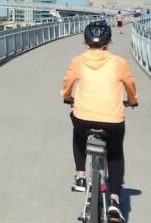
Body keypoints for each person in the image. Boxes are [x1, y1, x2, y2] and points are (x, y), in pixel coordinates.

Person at [61, 21, 138, 222]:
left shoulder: (77, 61)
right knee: (115, 154)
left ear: (85, 41)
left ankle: (80, 176)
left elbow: (67, 84)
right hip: (112, 119)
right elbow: (130, 85)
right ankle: (114, 201)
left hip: (84, 118)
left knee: (78, 134)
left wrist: (67, 96)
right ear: (109, 41)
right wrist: (132, 101)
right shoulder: (119, 62)